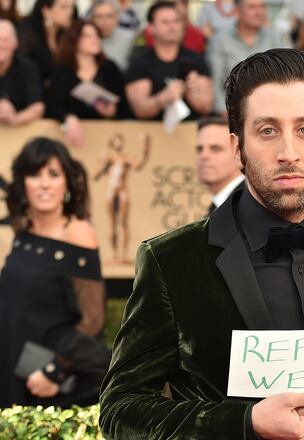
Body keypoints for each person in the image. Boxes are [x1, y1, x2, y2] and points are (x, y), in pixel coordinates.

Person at [99, 48, 304, 439]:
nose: (288, 153)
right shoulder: (172, 259)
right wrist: (246, 422)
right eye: (267, 130)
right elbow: (120, 410)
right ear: (238, 147)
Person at [0, 137, 110, 408]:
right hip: (12, 365)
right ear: (23, 184)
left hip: (48, 379)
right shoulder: (22, 232)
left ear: (68, 183)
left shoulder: (78, 232)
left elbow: (92, 320)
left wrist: (55, 370)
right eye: (35, 174)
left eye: (54, 174)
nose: (45, 184)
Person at [47, 21, 129, 149]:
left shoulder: (109, 68)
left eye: (96, 35)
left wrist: (112, 111)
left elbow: (124, 106)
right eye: (87, 36)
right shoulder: (62, 71)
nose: (94, 39)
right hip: (70, 142)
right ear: (74, 40)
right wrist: (68, 117)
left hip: (105, 141)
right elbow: (52, 106)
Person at [125, 1, 213, 121]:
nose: (172, 27)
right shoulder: (140, 63)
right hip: (151, 133)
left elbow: (206, 107)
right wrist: (163, 98)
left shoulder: (196, 60)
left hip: (191, 133)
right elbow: (140, 110)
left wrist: (191, 90)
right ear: (151, 28)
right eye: (165, 22)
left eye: (176, 21)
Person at [207, 0, 288, 115]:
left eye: (262, 7)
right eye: (252, 7)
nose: (259, 12)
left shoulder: (274, 36)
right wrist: (225, 113)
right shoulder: (220, 40)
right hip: (234, 110)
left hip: (271, 107)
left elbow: (283, 75)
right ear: (238, 11)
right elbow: (215, 82)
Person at [94, 133, 151, 265]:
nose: (119, 143)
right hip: (110, 191)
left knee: (123, 223)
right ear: (112, 142)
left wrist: (145, 147)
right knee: (111, 223)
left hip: (122, 191)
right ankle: (114, 254)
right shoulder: (107, 158)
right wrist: (103, 165)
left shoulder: (125, 158)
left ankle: (124, 255)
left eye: (121, 140)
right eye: (116, 140)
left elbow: (139, 164)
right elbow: (95, 175)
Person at [17, 0, 76, 88]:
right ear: (46, 11)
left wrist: (51, 38)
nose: (70, 12)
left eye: (72, 7)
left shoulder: (67, 33)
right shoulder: (27, 31)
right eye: (64, 7)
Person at [196, 116, 244, 215]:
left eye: (215, 148)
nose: (203, 156)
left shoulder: (249, 206)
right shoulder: (219, 205)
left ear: (239, 153)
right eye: (200, 149)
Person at [0, 20, 45, 127]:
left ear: (15, 43)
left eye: (5, 40)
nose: (0, 45)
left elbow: (38, 107)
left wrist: (15, 118)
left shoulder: (27, 67)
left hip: (18, 136)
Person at [89, 0, 136, 72]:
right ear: (92, 19)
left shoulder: (131, 38)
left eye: (109, 16)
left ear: (117, 18)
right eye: (99, 17)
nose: (105, 22)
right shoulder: (84, 41)